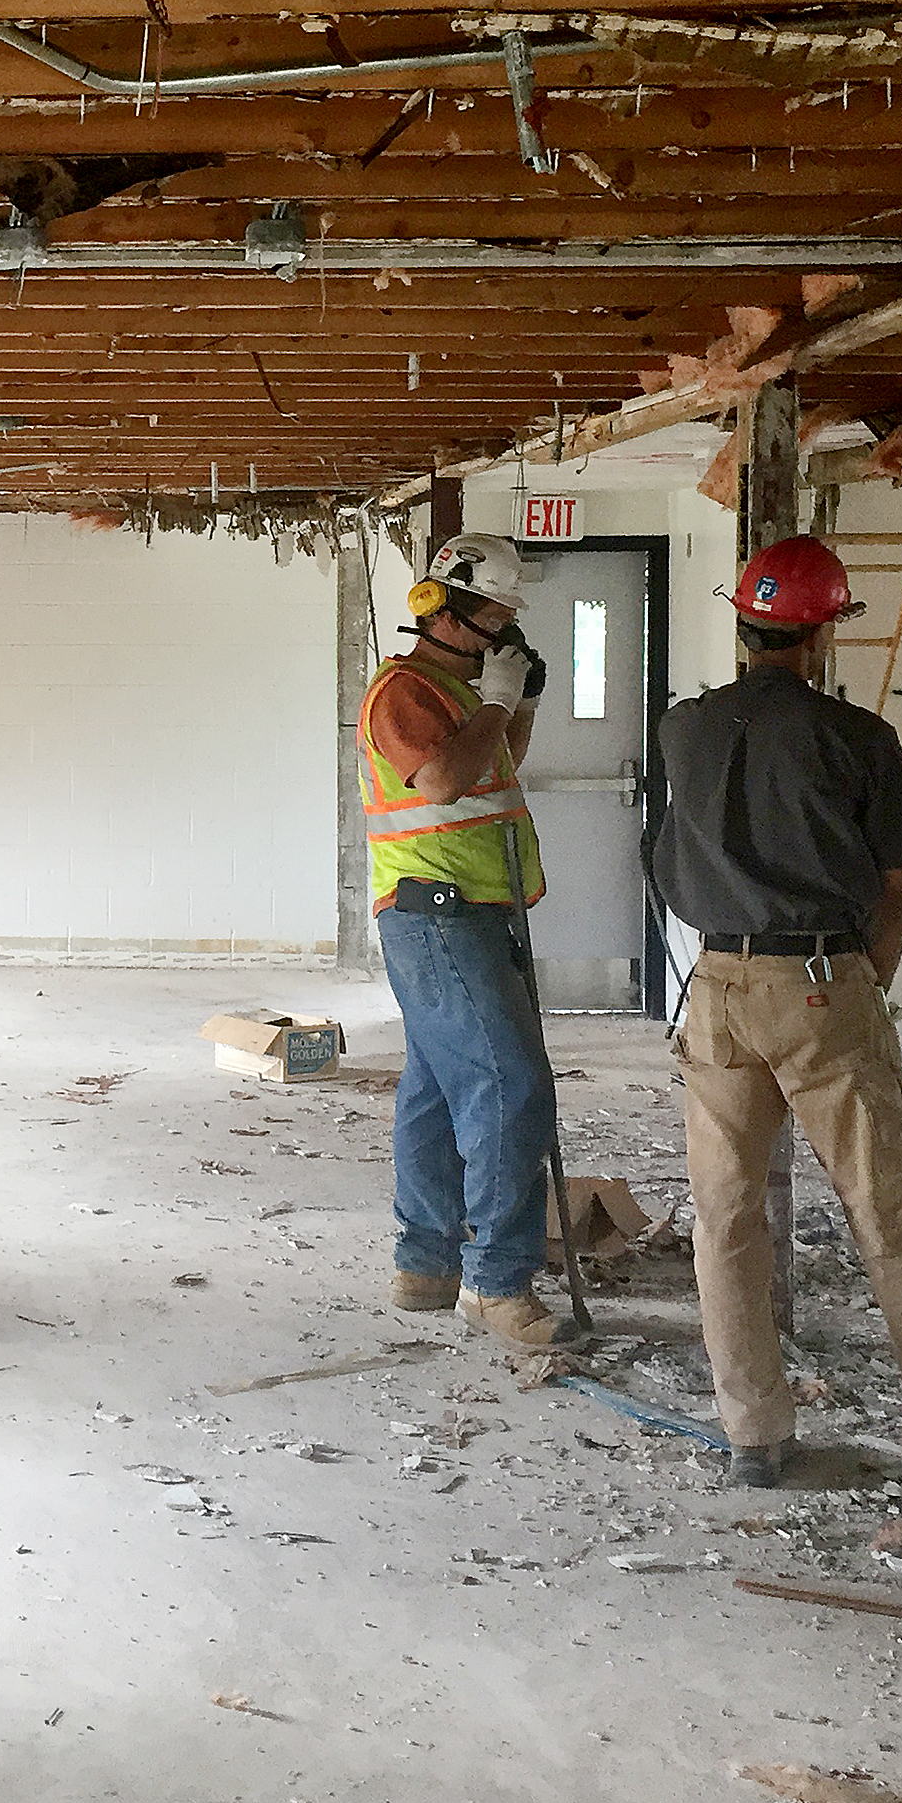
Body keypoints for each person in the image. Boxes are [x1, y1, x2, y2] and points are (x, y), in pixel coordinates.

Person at [653, 535, 902, 1488]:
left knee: (727, 1217)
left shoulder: (684, 729)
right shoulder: (858, 739)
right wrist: (859, 982)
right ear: (821, 632)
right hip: (820, 982)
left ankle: (756, 1433)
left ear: (744, 624)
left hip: (714, 987)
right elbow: (893, 889)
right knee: (887, 1209)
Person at [360, 531, 579, 1349]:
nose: (505, 632)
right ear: (444, 611)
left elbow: (495, 766)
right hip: (437, 912)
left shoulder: (461, 692)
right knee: (511, 1084)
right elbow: (444, 779)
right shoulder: (405, 691)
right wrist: (494, 700)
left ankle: (424, 1263)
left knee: (435, 1085)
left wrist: (514, 706)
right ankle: (495, 1280)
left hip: (472, 911)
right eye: (494, 616)